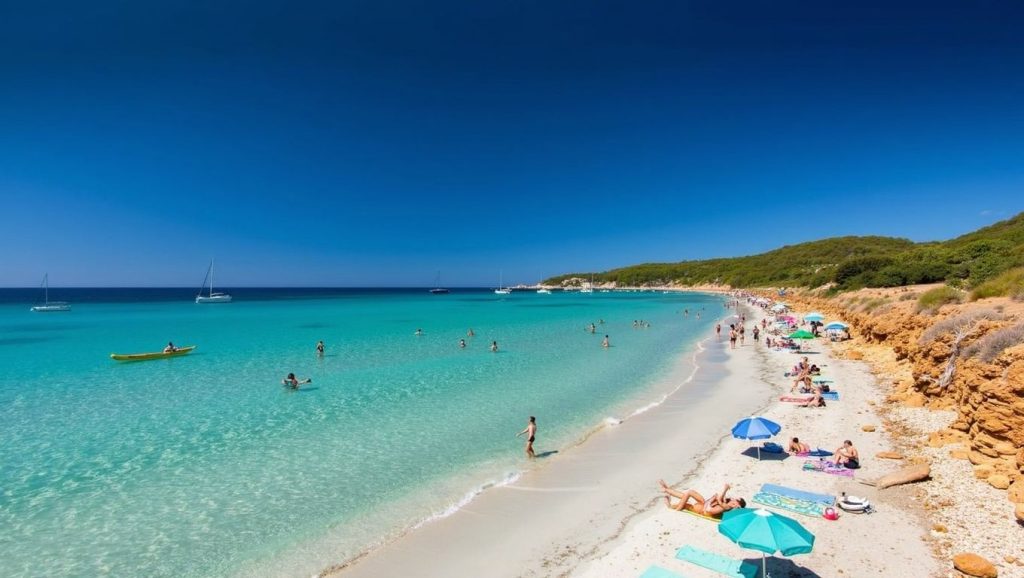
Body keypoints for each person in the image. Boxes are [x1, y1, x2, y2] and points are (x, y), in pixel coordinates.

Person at [658, 480, 745, 517]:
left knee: (686, 500)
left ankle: (674, 508)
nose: (734, 499)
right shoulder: (727, 502)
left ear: (737, 505)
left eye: (737, 500)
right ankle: (667, 490)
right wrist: (717, 496)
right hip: (705, 504)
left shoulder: (728, 507)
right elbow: (720, 499)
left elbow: (718, 503)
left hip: (704, 510)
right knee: (690, 492)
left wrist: (724, 490)